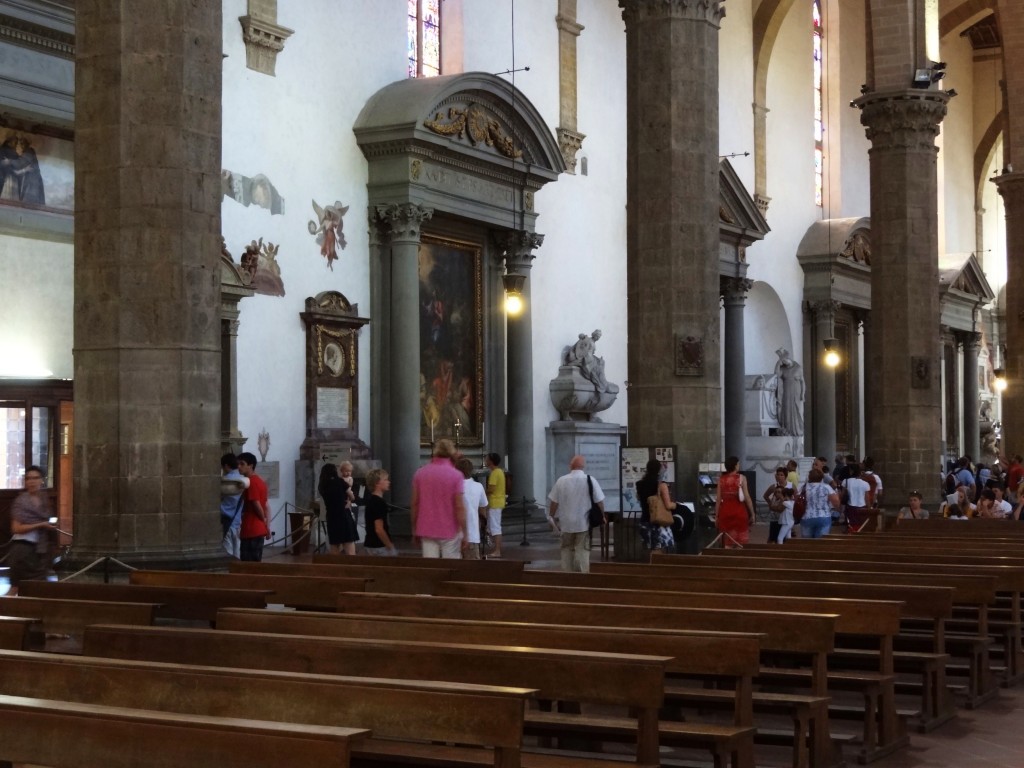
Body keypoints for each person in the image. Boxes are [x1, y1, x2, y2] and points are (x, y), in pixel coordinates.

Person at [411, 439, 468, 559]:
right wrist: (465, 532)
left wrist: (414, 527)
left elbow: (415, 503)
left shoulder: (420, 473)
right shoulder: (456, 475)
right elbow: (459, 506)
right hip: (450, 527)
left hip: (426, 526)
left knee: (431, 567)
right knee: (451, 567)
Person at [547, 455, 604, 573]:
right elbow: (599, 501)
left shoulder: (561, 480)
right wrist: (602, 515)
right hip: (583, 522)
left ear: (570, 466)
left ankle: (567, 574)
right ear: (583, 467)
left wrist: (551, 516)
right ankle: (582, 576)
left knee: (566, 549)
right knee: (582, 549)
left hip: (566, 523)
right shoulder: (590, 480)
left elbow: (554, 502)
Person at [7, 465, 56, 594]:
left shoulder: (44, 499)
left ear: (41, 480)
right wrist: (40, 525)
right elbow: (16, 528)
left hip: (40, 550)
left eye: (35, 478)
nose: (32, 481)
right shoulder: (21, 501)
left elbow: (46, 520)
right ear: (25, 481)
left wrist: (47, 525)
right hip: (22, 549)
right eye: (28, 478)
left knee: (38, 589)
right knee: (16, 587)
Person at [635, 458, 676, 552]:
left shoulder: (639, 484)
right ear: (658, 470)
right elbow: (668, 505)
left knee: (649, 550)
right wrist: (676, 505)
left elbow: (638, 498)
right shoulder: (661, 485)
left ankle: (650, 566)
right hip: (658, 522)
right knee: (659, 552)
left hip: (644, 521)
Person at [318, 461, 358, 555]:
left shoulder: (323, 486)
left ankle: (335, 568)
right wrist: (349, 500)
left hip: (332, 516)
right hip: (343, 515)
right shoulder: (340, 481)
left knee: (335, 546)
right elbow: (352, 496)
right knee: (349, 546)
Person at [714, 456, 754, 547]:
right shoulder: (742, 478)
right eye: (738, 464)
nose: (739, 465)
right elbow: (747, 497)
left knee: (727, 543)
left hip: (725, 512)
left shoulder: (721, 480)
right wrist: (752, 513)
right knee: (740, 543)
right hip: (739, 512)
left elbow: (718, 499)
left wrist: (716, 516)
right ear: (735, 466)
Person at [237, 452, 271, 561]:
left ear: (251, 466)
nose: (239, 467)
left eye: (242, 464)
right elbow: (266, 506)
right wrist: (266, 525)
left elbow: (257, 505)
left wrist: (264, 521)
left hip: (251, 528)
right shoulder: (260, 481)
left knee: (248, 565)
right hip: (257, 528)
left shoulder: (251, 482)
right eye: (238, 464)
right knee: (255, 564)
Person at [457, 457, 488, 560]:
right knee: (472, 568)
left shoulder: (453, 486)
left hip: (454, 534)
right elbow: (483, 509)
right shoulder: (478, 486)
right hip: (472, 532)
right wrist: (483, 526)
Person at [219, 453, 249, 558]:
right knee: (237, 550)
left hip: (227, 519)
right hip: (237, 520)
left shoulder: (225, 480)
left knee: (227, 549)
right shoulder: (243, 480)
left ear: (226, 466)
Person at [362, 468, 397, 556]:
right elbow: (379, 529)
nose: (388, 482)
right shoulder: (379, 503)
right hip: (379, 546)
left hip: (369, 543)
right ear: (377, 483)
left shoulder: (371, 500)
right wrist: (389, 545)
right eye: (385, 480)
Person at [774, 348, 805, 436]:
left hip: (795, 391)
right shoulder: (783, 369)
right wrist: (778, 363)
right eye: (782, 362)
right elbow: (776, 374)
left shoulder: (797, 368)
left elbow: (802, 381)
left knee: (795, 409)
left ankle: (796, 429)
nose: (784, 363)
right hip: (786, 391)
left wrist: (802, 394)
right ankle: (787, 430)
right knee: (786, 409)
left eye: (784, 361)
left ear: (789, 359)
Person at [801, 467, 840, 538]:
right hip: (824, 516)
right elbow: (836, 502)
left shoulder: (804, 487)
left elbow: (797, 499)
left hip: (807, 516)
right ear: (821, 477)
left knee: (806, 543)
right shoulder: (826, 487)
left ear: (809, 477)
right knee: (821, 542)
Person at [484, 453, 506, 558]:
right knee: (493, 527)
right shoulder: (500, 471)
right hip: (498, 502)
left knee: (495, 527)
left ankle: (497, 551)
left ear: (491, 461)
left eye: (486, 459)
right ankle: (495, 548)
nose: (485, 460)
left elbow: (491, 489)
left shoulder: (494, 473)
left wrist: (483, 492)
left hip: (495, 502)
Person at [762, 466, 791, 544]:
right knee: (772, 536)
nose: (779, 476)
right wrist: (770, 504)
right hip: (775, 516)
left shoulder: (790, 486)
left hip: (786, 515)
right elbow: (765, 496)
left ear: (785, 476)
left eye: (781, 475)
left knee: (784, 536)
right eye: (778, 474)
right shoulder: (773, 486)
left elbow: (796, 497)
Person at [840, 463, 872, 531]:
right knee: (861, 526)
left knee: (852, 526)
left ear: (851, 471)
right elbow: (867, 499)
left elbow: (842, 496)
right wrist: (869, 509)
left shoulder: (845, 481)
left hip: (850, 507)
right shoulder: (865, 484)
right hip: (862, 508)